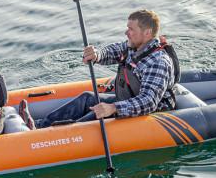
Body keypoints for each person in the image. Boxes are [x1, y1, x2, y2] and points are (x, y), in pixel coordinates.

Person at [20, 9, 179, 128]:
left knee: (93, 116)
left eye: (131, 29)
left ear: (147, 33)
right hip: (127, 101)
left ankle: (50, 135)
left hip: (149, 114)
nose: (126, 33)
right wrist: (96, 55)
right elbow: (112, 51)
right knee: (87, 98)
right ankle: (40, 126)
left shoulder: (158, 62)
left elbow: (148, 102)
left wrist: (112, 108)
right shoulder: (134, 47)